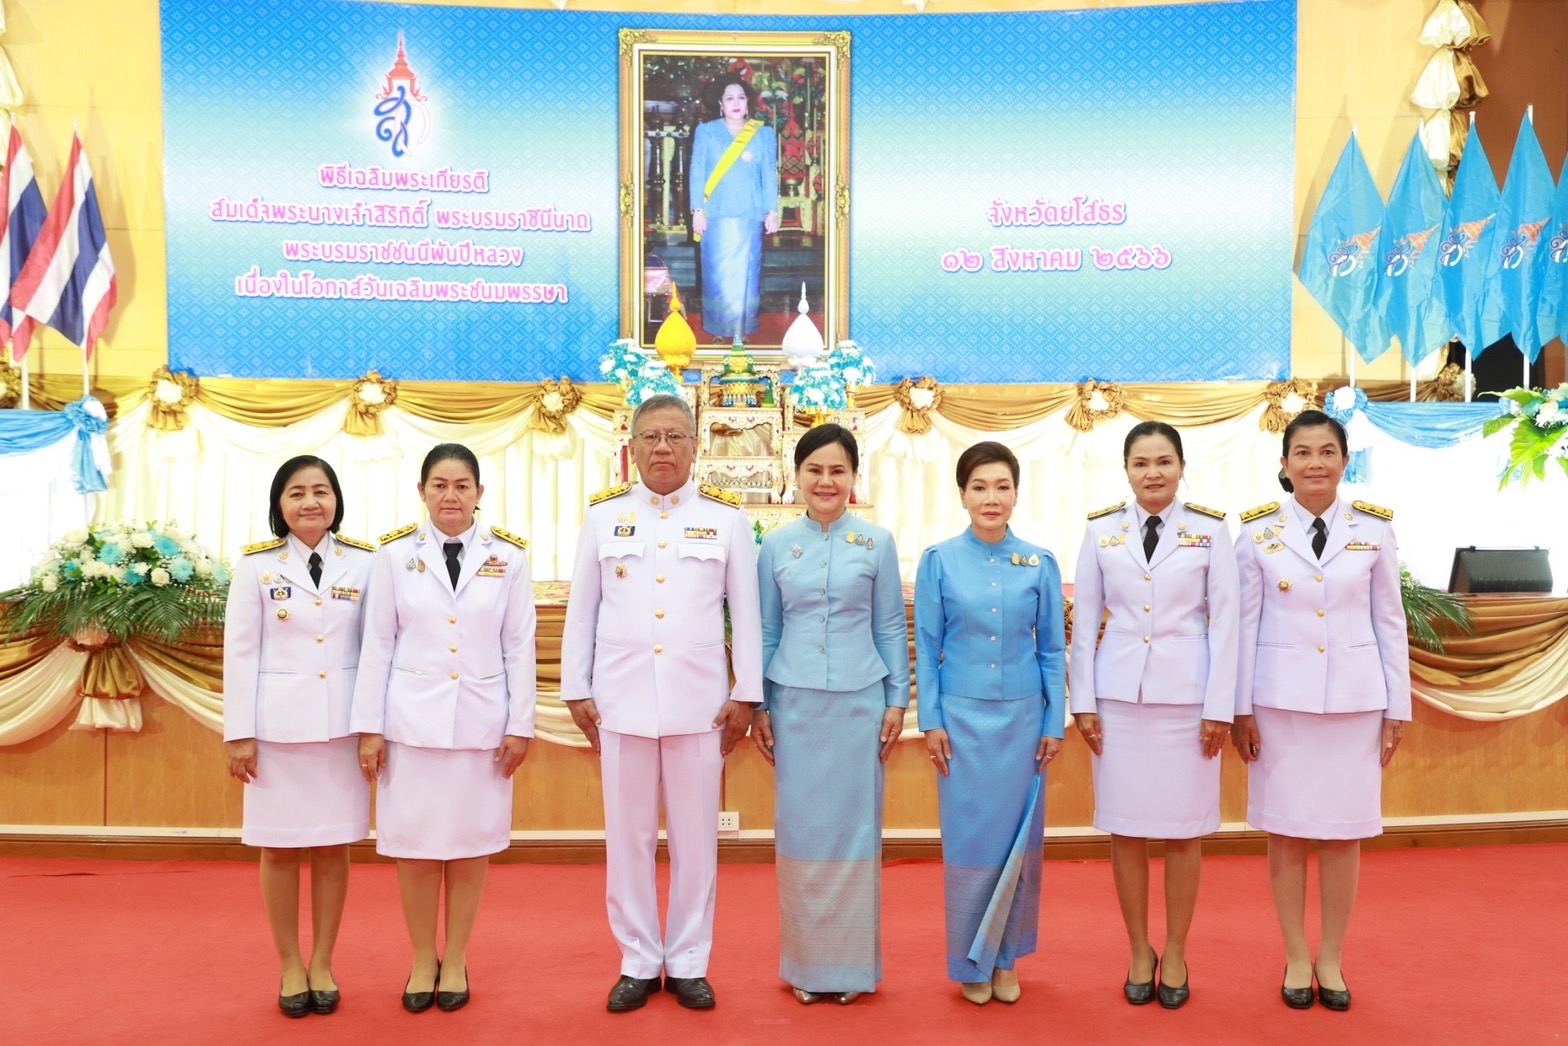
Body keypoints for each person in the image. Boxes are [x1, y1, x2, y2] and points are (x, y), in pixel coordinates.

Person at [562, 392, 762, 1013]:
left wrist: (746, 692)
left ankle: (690, 960)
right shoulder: (602, 518)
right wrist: (577, 686)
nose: (663, 449)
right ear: (631, 446)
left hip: (700, 704)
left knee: (698, 839)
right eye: (651, 437)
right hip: (620, 702)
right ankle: (639, 959)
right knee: (628, 839)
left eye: (676, 437)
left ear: (696, 447)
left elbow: (746, 616)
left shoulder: (726, 520)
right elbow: (582, 610)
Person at [1231, 409, 1410, 1013]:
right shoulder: (1257, 533)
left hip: (1356, 703)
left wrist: (1398, 706)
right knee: (1285, 832)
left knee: (1343, 834)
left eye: (1326, 451)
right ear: (1284, 465)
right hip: (1279, 703)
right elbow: (1242, 625)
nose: (1315, 463)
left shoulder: (1375, 530)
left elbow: (1390, 620)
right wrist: (1239, 710)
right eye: (1302, 452)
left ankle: (1331, 955)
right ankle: (1297, 955)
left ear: (1345, 460)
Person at [350, 443, 536, 1015]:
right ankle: (422, 956)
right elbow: (376, 644)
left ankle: (455, 956)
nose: (450, 495)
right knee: (416, 848)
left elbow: (519, 645)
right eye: (439, 485)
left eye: (461, 485)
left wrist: (520, 724)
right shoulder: (393, 555)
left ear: (480, 492)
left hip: (482, 725)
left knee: (471, 846)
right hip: (410, 724)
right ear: (422, 492)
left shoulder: (509, 556)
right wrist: (370, 727)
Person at [1068, 421, 1239, 1010]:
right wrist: (1083, 703)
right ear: (1127, 470)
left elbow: (1228, 623)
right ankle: (1138, 948)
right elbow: (1084, 623)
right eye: (1141, 463)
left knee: (1186, 831)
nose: (1153, 473)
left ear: (1182, 466)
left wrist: (1221, 707)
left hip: (1189, 704)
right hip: (1118, 702)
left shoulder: (1212, 531)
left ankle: (1176, 949)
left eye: (1164, 461)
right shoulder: (1101, 531)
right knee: (1126, 828)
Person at [753, 423, 909, 1005]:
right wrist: (761, 705)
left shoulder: (877, 542)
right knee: (802, 833)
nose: (826, 481)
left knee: (854, 833)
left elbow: (890, 624)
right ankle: (806, 968)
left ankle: (850, 971)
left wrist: (897, 699)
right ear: (797, 476)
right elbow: (766, 628)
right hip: (795, 704)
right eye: (815, 470)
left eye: (837, 470)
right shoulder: (773, 544)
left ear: (853, 478)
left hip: (860, 702)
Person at [914, 441, 1067, 1006]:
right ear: (962, 494)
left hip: (1026, 724)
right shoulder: (939, 561)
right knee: (972, 845)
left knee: (1018, 845)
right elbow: (926, 650)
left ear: (1016, 493)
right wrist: (930, 720)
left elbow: (1053, 649)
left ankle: (1006, 959)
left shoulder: (1039, 562)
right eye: (979, 486)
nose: (991, 497)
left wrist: (1056, 720)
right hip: (961, 723)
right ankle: (970, 962)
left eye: (1002, 486)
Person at [224, 455, 376, 1018]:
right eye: (296, 493)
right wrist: (239, 734)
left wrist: (372, 727)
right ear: (279, 504)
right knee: (280, 850)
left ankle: (323, 962)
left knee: (335, 848)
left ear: (336, 499)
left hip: (341, 731)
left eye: (321, 491)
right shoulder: (255, 567)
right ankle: (289, 963)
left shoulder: (366, 564)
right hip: (276, 733)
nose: (310, 502)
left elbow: (376, 649)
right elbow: (239, 654)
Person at [688, 72, 780, 343]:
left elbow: (769, 175)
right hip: (715, 214)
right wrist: (697, 210)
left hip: (750, 214)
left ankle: (742, 328)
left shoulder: (763, 134)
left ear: (748, 103)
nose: (736, 103)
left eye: (741, 97)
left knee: (747, 274)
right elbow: (697, 173)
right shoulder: (706, 132)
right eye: (730, 98)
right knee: (717, 274)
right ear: (720, 103)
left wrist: (772, 211)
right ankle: (718, 329)